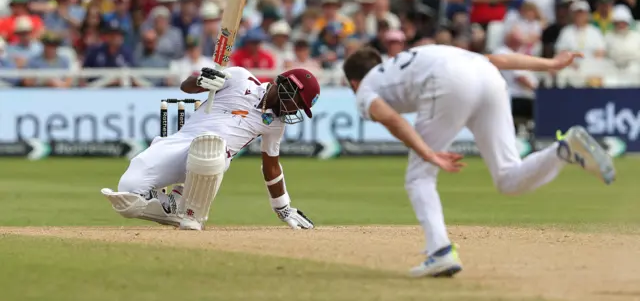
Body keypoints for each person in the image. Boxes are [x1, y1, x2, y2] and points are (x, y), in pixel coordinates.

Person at [341, 45, 616, 278]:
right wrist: (552, 63)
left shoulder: (366, 87)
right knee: (509, 178)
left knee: (419, 176)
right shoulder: (413, 58)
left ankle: (440, 251)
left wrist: (428, 153)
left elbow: (390, 118)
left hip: (449, 81)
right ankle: (563, 149)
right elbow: (500, 60)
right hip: (489, 76)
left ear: (353, 82)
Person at [102, 66, 320, 232]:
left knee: (211, 145)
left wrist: (283, 208)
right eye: (298, 103)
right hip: (179, 144)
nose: (296, 110)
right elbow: (186, 87)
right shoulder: (240, 77)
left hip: (213, 158)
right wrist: (201, 81)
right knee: (128, 195)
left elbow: (271, 167)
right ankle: (175, 205)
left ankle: (193, 211)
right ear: (287, 86)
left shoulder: (275, 124)